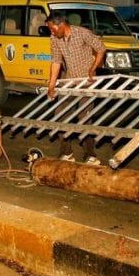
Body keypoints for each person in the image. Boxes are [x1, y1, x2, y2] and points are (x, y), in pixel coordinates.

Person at [45, 12, 106, 164]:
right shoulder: (54, 39)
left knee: (84, 118)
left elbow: (101, 49)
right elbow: (56, 62)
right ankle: (66, 153)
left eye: (52, 29)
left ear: (61, 25)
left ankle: (90, 155)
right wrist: (51, 85)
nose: (51, 32)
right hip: (69, 80)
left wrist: (93, 68)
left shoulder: (82, 33)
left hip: (86, 82)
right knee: (60, 114)